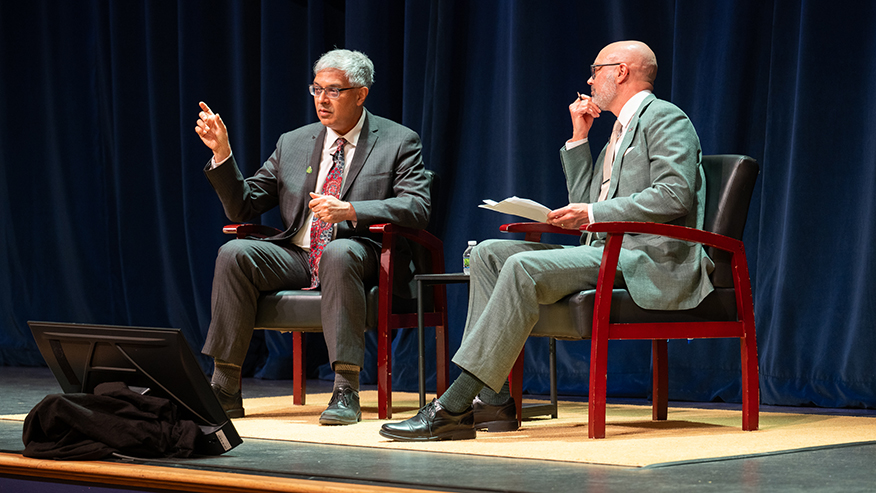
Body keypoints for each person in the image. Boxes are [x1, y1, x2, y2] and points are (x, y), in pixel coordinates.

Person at [379, 40, 713, 441]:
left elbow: (675, 194)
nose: (590, 79)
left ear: (621, 71)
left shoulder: (665, 118)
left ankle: (453, 405)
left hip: (649, 259)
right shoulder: (619, 133)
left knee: (522, 265)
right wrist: (579, 138)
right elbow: (584, 201)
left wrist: (591, 214)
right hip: (606, 252)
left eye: (596, 69)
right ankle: (495, 399)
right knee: (488, 253)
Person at [195, 49, 431, 425]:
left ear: (361, 94)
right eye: (317, 89)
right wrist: (223, 154)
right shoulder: (294, 142)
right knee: (235, 253)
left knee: (338, 252)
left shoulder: (398, 141)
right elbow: (244, 207)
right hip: (299, 254)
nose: (322, 100)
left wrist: (351, 211)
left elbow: (417, 207)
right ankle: (224, 387)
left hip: (363, 255)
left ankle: (345, 389)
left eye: (334, 91)